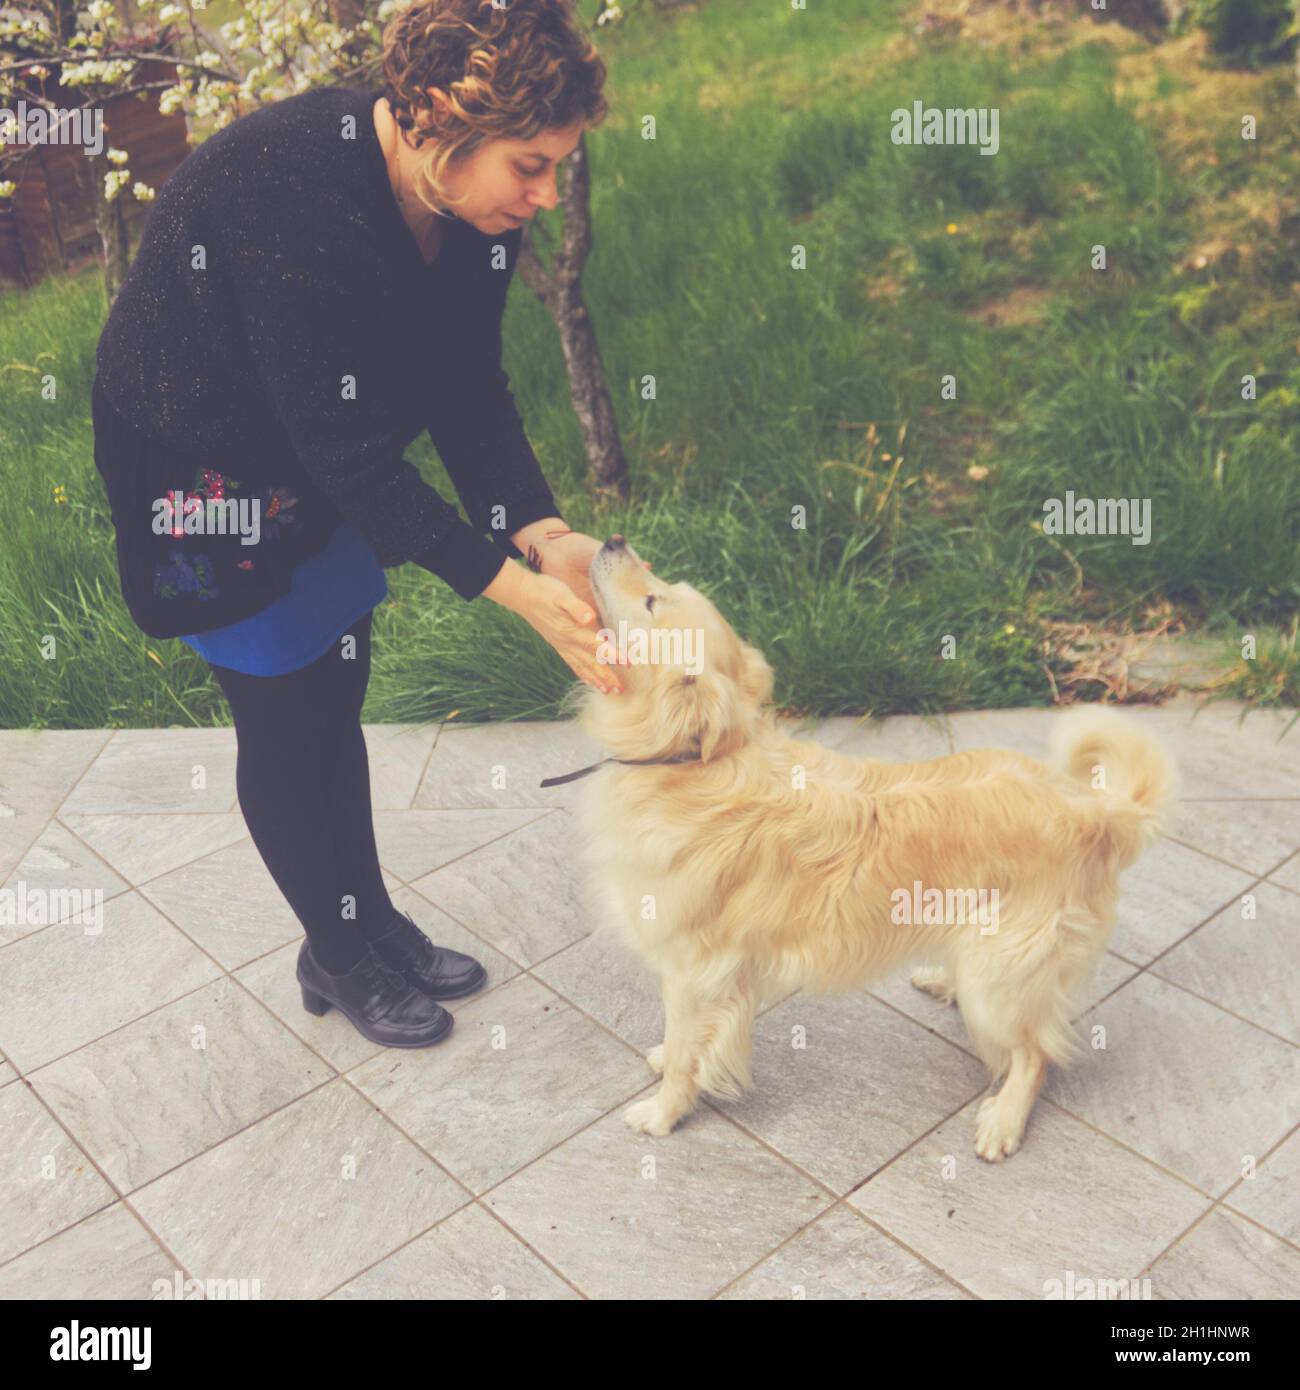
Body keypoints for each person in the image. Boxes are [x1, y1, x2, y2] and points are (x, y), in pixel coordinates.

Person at [91, 0, 641, 1050]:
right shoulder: (286, 191)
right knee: (281, 711)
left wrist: (540, 529)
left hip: (317, 452)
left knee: (333, 683)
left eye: (556, 168)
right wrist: (512, 589)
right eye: (528, 165)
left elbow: (466, 388)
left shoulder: (477, 220)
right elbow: (345, 457)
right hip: (204, 468)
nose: (542, 195)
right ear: (437, 118)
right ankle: (336, 956)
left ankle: (363, 917)